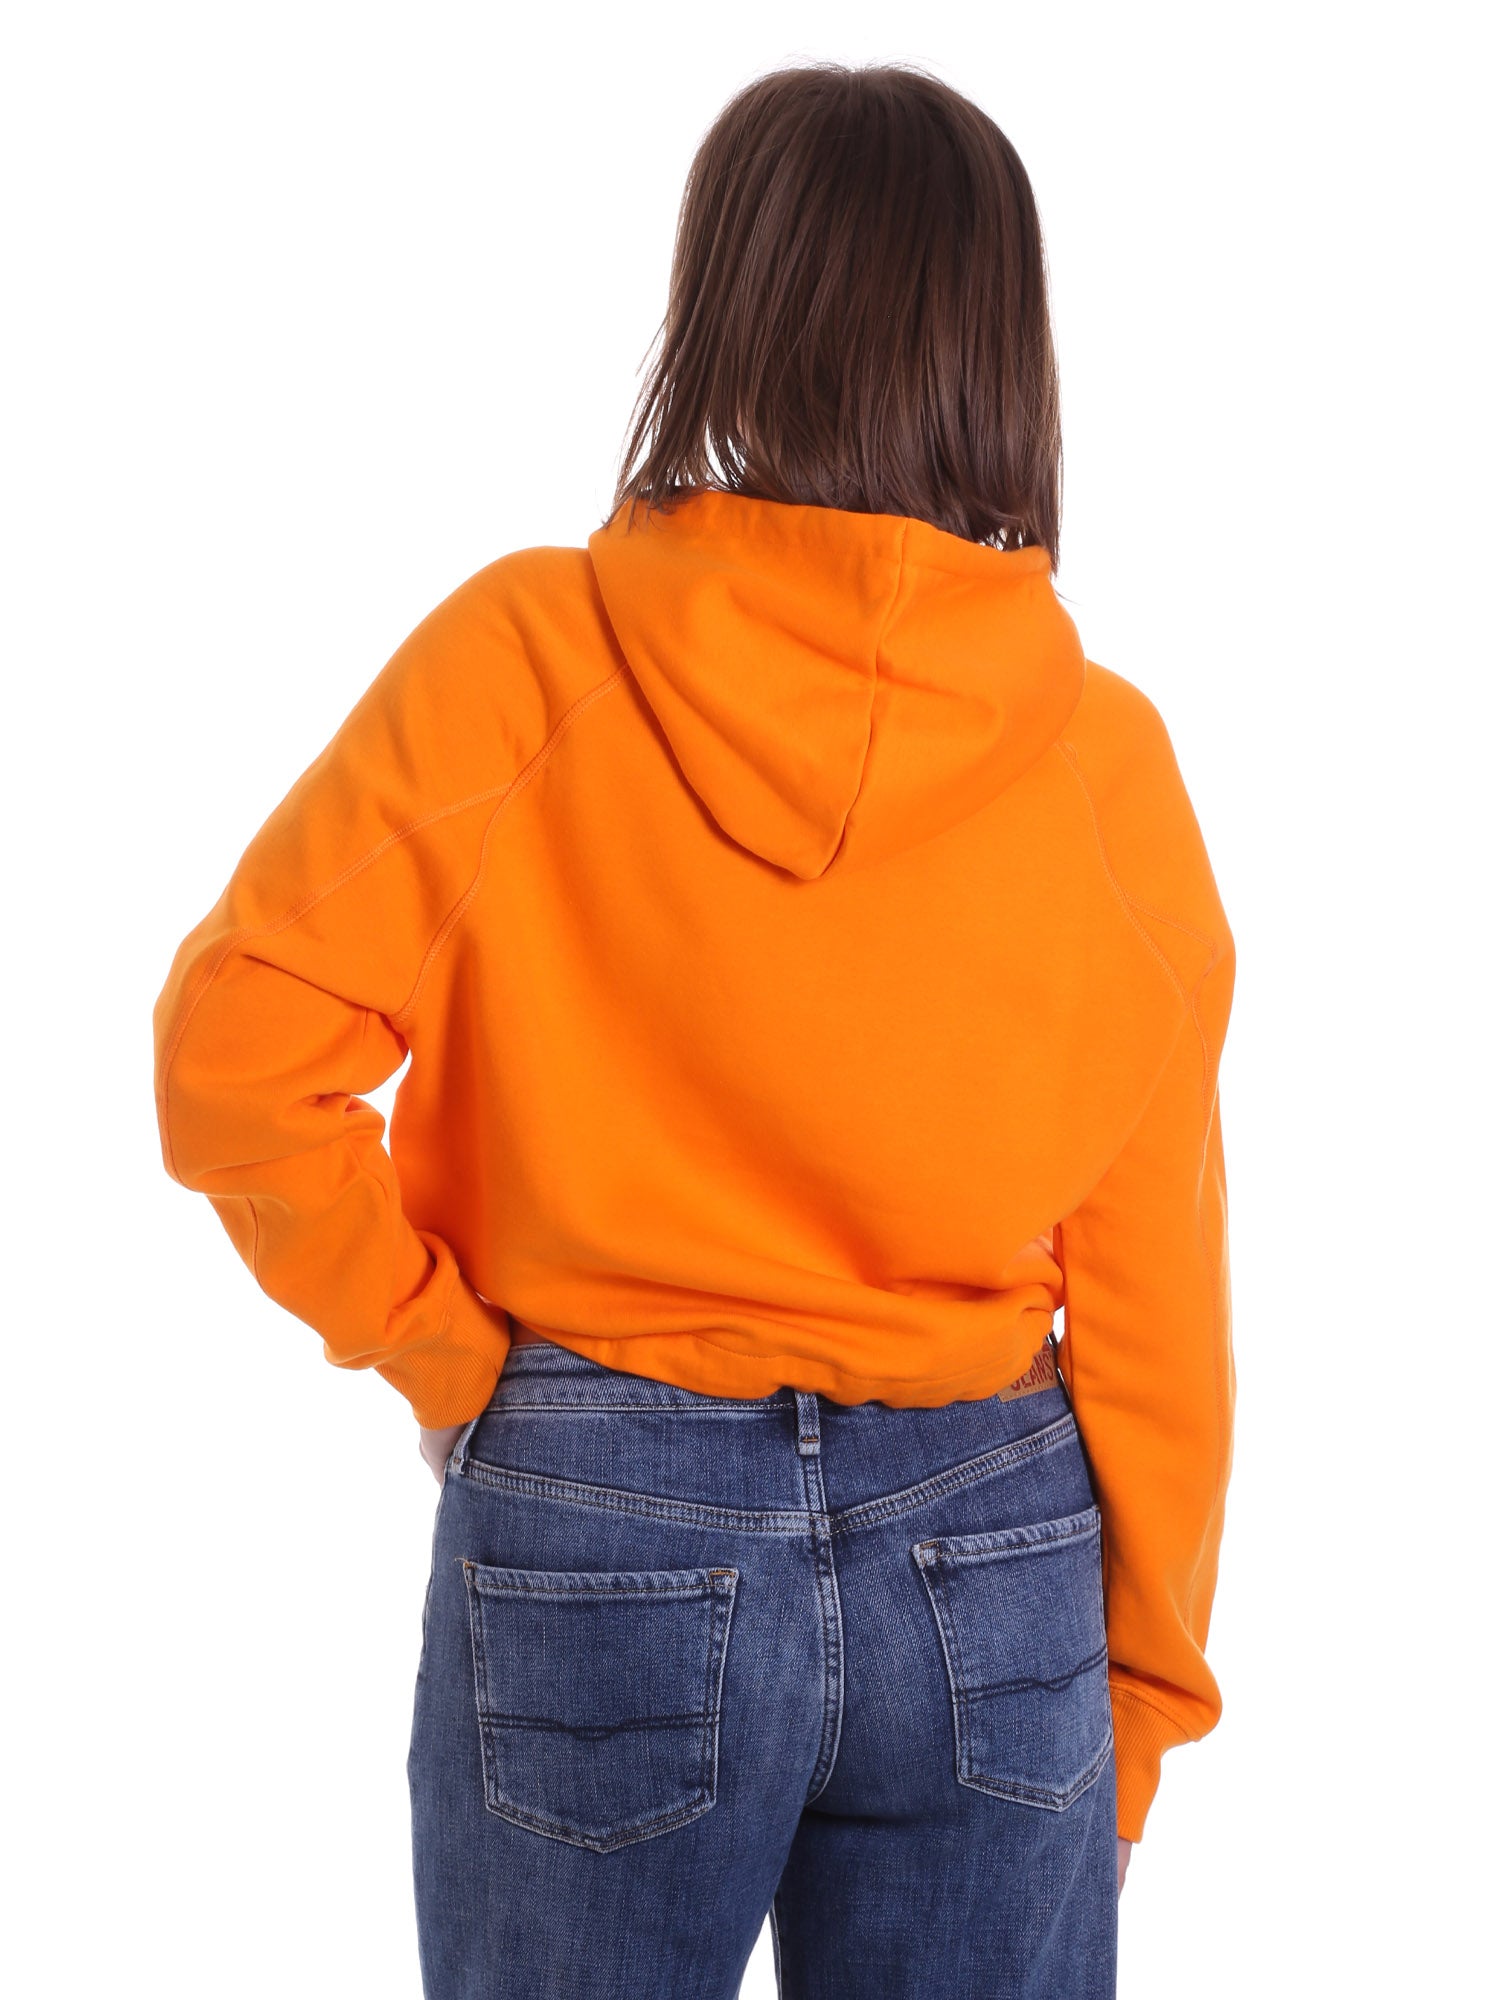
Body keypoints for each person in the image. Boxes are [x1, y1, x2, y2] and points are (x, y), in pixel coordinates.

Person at [152, 59, 1235, 2000]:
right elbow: (1156, 1293)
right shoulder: (1103, 762)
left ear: (725, 300)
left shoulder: (530, 658)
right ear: (1007, 347)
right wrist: (1140, 1689)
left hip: (601, 1514)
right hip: (993, 1554)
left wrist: (444, 1351)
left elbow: (237, 1050)